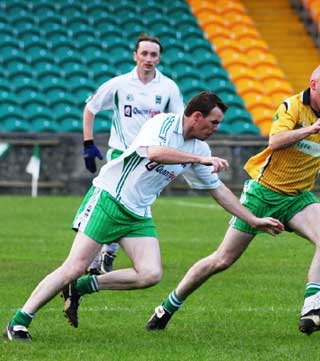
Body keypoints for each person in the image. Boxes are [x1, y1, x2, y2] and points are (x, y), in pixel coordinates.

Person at [3, 92, 284, 342]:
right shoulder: (163, 124)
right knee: (74, 265)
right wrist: (200, 161)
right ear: (196, 116)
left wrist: (253, 220)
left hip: (137, 213)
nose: (216, 128)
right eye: (214, 122)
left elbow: (219, 191)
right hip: (109, 199)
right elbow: (155, 153)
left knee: (150, 274)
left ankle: (80, 288)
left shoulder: (200, 149)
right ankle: (18, 322)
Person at [146, 64, 320, 335]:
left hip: (298, 197)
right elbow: (275, 141)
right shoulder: (292, 106)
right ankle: (166, 307)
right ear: (314, 84)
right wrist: (309, 129)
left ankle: (312, 310)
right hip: (263, 193)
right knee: (222, 260)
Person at [83, 33, 185, 275]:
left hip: (149, 156)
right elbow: (91, 108)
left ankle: (107, 252)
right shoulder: (119, 84)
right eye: (144, 54)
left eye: (153, 55)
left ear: (159, 59)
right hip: (122, 154)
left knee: (137, 203)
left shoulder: (168, 87)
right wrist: (88, 143)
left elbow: (179, 121)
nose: (148, 59)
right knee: (119, 203)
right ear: (135, 56)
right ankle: (101, 255)